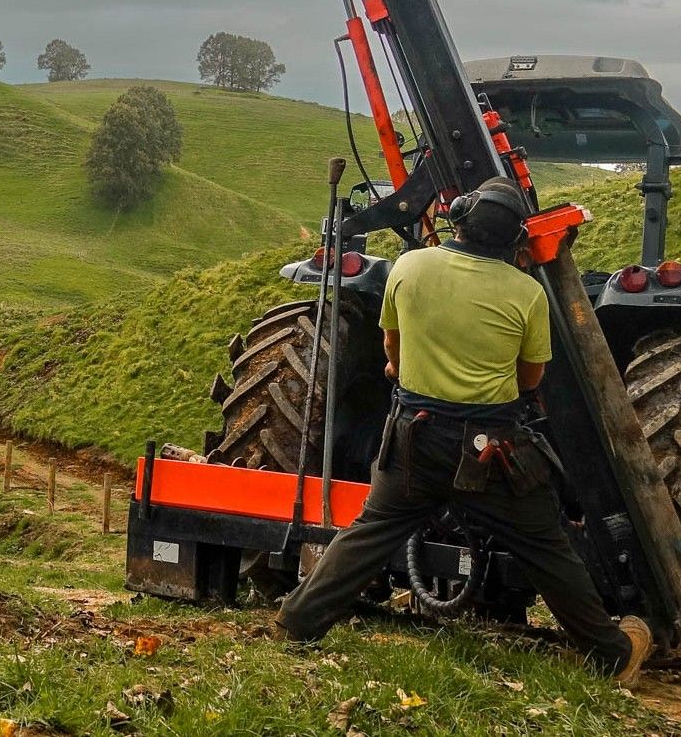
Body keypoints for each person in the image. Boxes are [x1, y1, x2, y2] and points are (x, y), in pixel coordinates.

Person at [275, 178, 652, 685]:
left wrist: (405, 370)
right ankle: (611, 654)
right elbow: (530, 379)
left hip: (412, 438)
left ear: (461, 216)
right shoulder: (527, 294)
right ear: (514, 239)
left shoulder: (409, 266)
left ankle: (296, 620)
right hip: (489, 453)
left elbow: (393, 348)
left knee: (368, 534)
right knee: (545, 546)